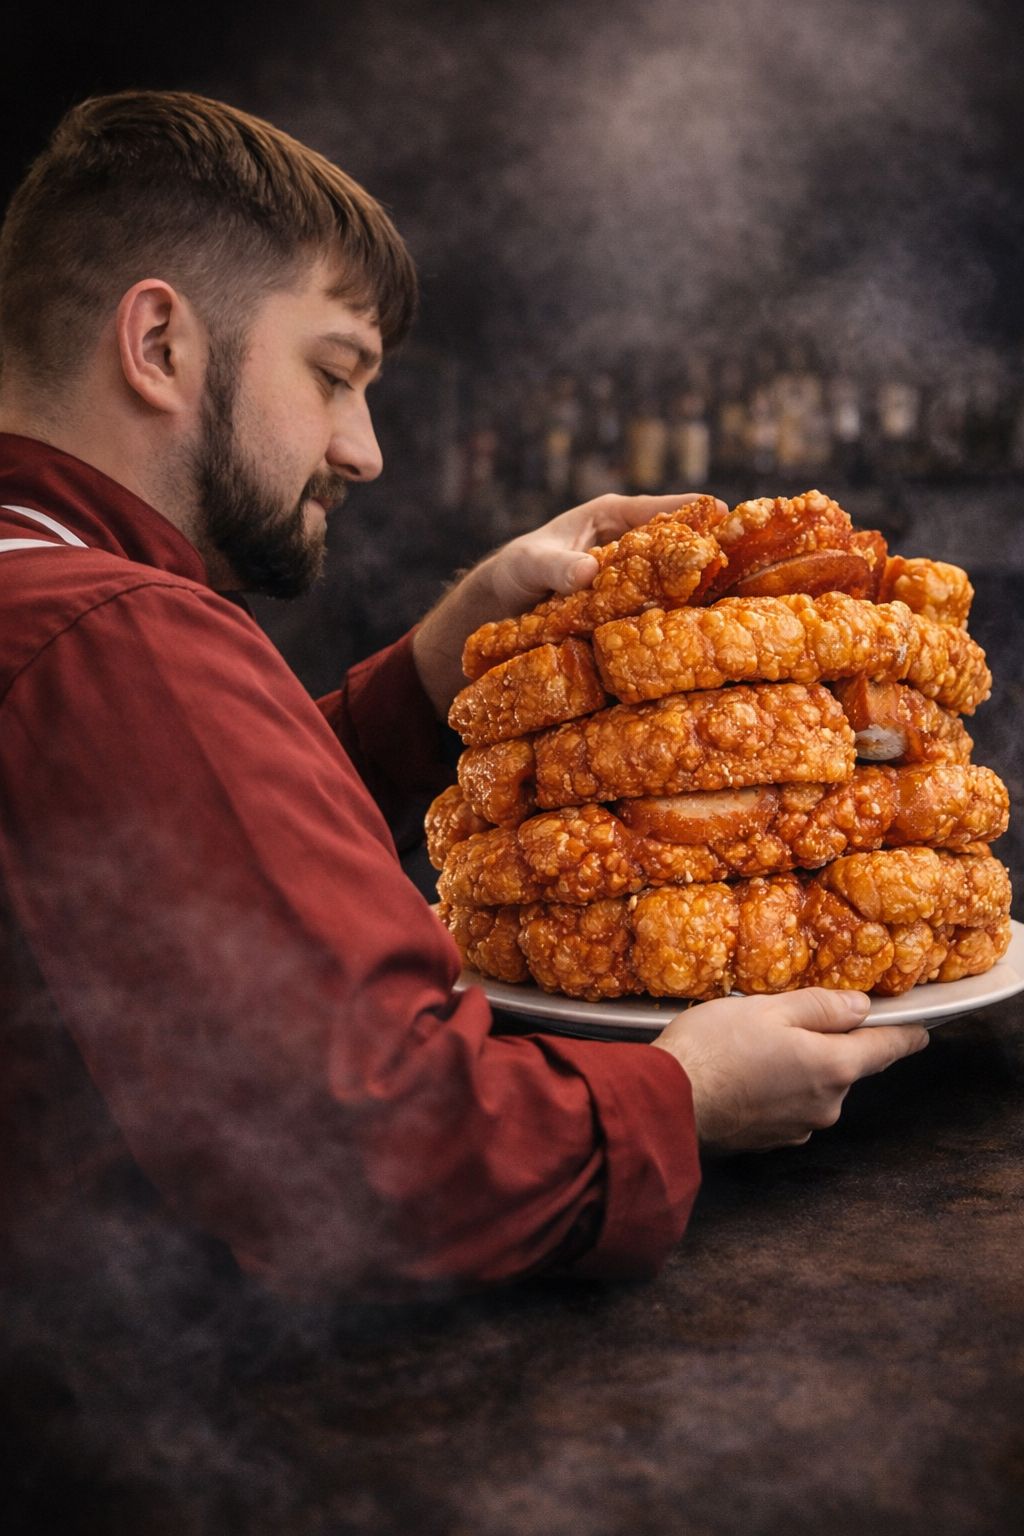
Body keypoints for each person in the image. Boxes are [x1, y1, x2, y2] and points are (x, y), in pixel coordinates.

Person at [0, 90, 929, 1303]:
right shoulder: (116, 635)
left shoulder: (51, 609)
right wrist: (686, 1096)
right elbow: (381, 1160)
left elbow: (187, 870)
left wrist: (442, 660)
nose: (364, 449)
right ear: (160, 344)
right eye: (334, 374)